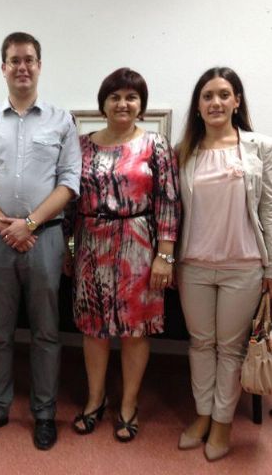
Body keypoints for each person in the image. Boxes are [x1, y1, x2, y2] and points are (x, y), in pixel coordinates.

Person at [0, 32, 82, 451]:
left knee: (47, 332)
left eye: (29, 59)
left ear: (39, 65)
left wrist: (29, 224)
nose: (22, 67)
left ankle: (44, 413)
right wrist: (6, 227)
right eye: (14, 60)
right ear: (3, 67)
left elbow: (69, 182)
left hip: (45, 239)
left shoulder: (61, 121)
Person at [67, 68, 180, 442]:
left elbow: (168, 201)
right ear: (103, 104)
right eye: (115, 97)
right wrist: (68, 246)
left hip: (139, 247)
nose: (123, 103)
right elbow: (69, 201)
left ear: (141, 105)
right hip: (90, 245)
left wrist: (165, 255)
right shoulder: (80, 146)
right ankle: (95, 399)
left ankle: (129, 404)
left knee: (135, 330)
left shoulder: (155, 145)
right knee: (93, 329)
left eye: (131, 97)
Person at [175, 67, 272, 461]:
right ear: (197, 106)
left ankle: (222, 423)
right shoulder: (184, 151)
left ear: (237, 101)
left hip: (244, 265)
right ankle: (203, 415)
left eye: (224, 94)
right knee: (201, 344)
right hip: (194, 265)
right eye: (207, 96)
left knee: (231, 348)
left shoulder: (260, 147)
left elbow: (270, 210)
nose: (215, 102)